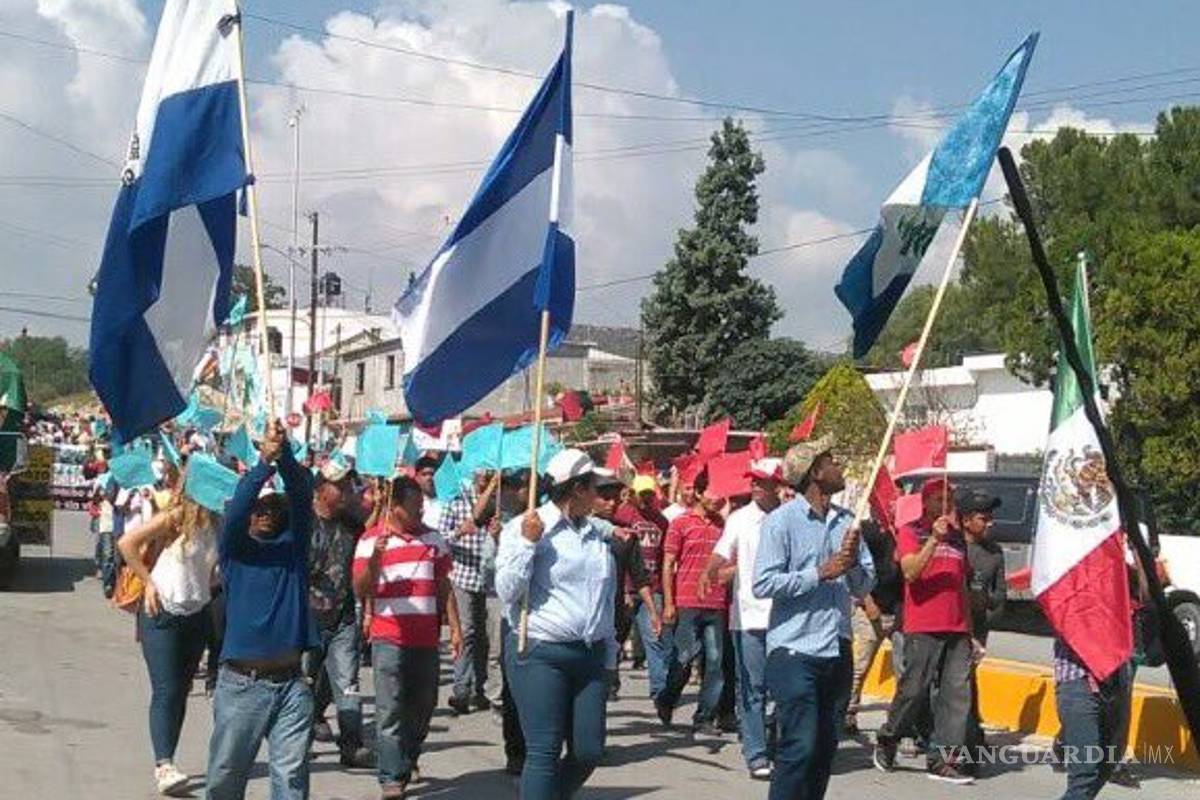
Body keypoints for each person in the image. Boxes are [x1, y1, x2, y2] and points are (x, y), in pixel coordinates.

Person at [752, 434, 874, 800]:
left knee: (824, 750)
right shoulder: (782, 522)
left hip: (836, 646)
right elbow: (763, 582)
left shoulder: (847, 522)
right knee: (799, 746)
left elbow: (866, 581)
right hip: (794, 649)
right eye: (832, 460)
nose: (840, 467)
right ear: (816, 472)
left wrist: (851, 566)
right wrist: (819, 573)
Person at [206, 420, 319, 800]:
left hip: (291, 684)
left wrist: (283, 455)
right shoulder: (235, 552)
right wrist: (262, 466)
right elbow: (236, 510)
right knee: (226, 778)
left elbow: (302, 494)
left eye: (274, 509)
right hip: (242, 685)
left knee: (291, 780)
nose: (266, 514)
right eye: (260, 509)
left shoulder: (293, 552)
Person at [495, 449, 616, 800]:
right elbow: (507, 591)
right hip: (539, 651)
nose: (600, 494)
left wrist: (608, 655)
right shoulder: (526, 526)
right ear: (577, 489)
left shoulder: (595, 534)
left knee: (589, 750)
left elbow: (603, 598)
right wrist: (528, 544)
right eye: (595, 486)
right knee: (544, 750)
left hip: (589, 654)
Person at [353, 476, 463, 799]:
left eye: (422, 506)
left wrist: (454, 627)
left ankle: (408, 755)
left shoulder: (434, 539)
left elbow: (444, 585)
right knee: (390, 709)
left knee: (422, 706)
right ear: (395, 507)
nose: (420, 512)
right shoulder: (370, 540)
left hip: (426, 638)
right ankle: (391, 777)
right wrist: (376, 558)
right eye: (414, 507)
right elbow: (361, 589)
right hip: (388, 635)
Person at [873, 477, 979, 784]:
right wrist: (932, 540)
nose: (945, 504)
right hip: (922, 625)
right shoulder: (911, 532)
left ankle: (943, 759)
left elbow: (961, 586)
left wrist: (970, 633)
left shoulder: (959, 539)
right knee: (914, 689)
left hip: (956, 626)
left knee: (956, 696)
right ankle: (889, 736)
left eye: (949, 499)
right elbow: (910, 572)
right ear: (925, 502)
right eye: (938, 498)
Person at [117, 494, 218, 796]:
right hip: (161, 611)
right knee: (166, 689)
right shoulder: (176, 516)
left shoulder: (221, 522)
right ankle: (164, 764)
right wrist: (148, 581)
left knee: (182, 689)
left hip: (197, 612)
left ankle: (169, 761)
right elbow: (127, 544)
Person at [699, 457, 783, 780]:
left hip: (786, 618)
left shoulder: (790, 516)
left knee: (781, 689)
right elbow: (723, 549)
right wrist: (709, 571)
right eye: (753, 481)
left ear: (778, 485)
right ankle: (757, 754)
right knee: (753, 688)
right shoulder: (739, 518)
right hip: (748, 616)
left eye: (763, 481)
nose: (756, 486)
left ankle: (773, 739)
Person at [305, 470, 372, 767]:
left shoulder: (350, 523)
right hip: (306, 619)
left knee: (347, 681)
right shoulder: (303, 523)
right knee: (303, 683)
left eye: (348, 485)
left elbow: (367, 546)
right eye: (339, 485)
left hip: (343, 617)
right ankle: (297, 740)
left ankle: (351, 745)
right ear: (321, 488)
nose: (346, 490)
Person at [655, 468, 727, 735]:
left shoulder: (722, 526)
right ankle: (666, 699)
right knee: (684, 657)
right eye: (712, 492)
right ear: (698, 492)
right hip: (687, 601)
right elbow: (668, 564)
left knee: (715, 661)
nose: (717, 498)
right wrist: (670, 603)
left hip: (717, 602)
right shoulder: (680, 524)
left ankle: (705, 716)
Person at [592, 468, 662, 701]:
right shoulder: (577, 531)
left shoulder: (625, 535)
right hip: (584, 612)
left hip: (615, 611)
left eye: (615, 498)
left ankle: (655, 692)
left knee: (613, 650)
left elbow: (639, 575)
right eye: (605, 498)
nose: (611, 503)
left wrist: (652, 611)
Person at [440, 468, 501, 716]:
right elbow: (440, 538)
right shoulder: (456, 500)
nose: (485, 477)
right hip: (463, 576)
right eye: (482, 472)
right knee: (467, 632)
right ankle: (461, 689)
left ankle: (482, 689)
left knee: (487, 637)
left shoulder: (498, 503)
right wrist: (459, 532)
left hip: (491, 578)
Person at [613, 474, 671, 699]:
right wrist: (624, 588)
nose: (646, 498)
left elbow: (664, 555)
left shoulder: (662, 521)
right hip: (625, 588)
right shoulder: (622, 515)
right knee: (616, 639)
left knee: (654, 638)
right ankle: (610, 683)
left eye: (650, 493)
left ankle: (659, 691)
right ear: (633, 494)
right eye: (642, 493)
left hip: (651, 587)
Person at [844, 517, 903, 736]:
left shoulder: (904, 533)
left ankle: (899, 723)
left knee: (904, 669)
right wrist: (867, 602)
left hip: (898, 610)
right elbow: (856, 568)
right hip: (870, 608)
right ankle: (848, 712)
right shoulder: (868, 532)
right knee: (861, 665)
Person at [960, 489, 1006, 763]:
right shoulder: (953, 547)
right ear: (966, 520)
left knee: (967, 681)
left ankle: (972, 736)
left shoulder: (994, 553)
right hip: (949, 626)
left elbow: (1000, 595)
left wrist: (984, 600)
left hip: (977, 629)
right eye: (983, 518)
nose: (989, 523)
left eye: (990, 518)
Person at [414, 455, 442, 530]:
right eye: (424, 474)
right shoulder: (413, 503)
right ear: (416, 477)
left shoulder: (447, 502)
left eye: (432, 474)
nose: (429, 478)